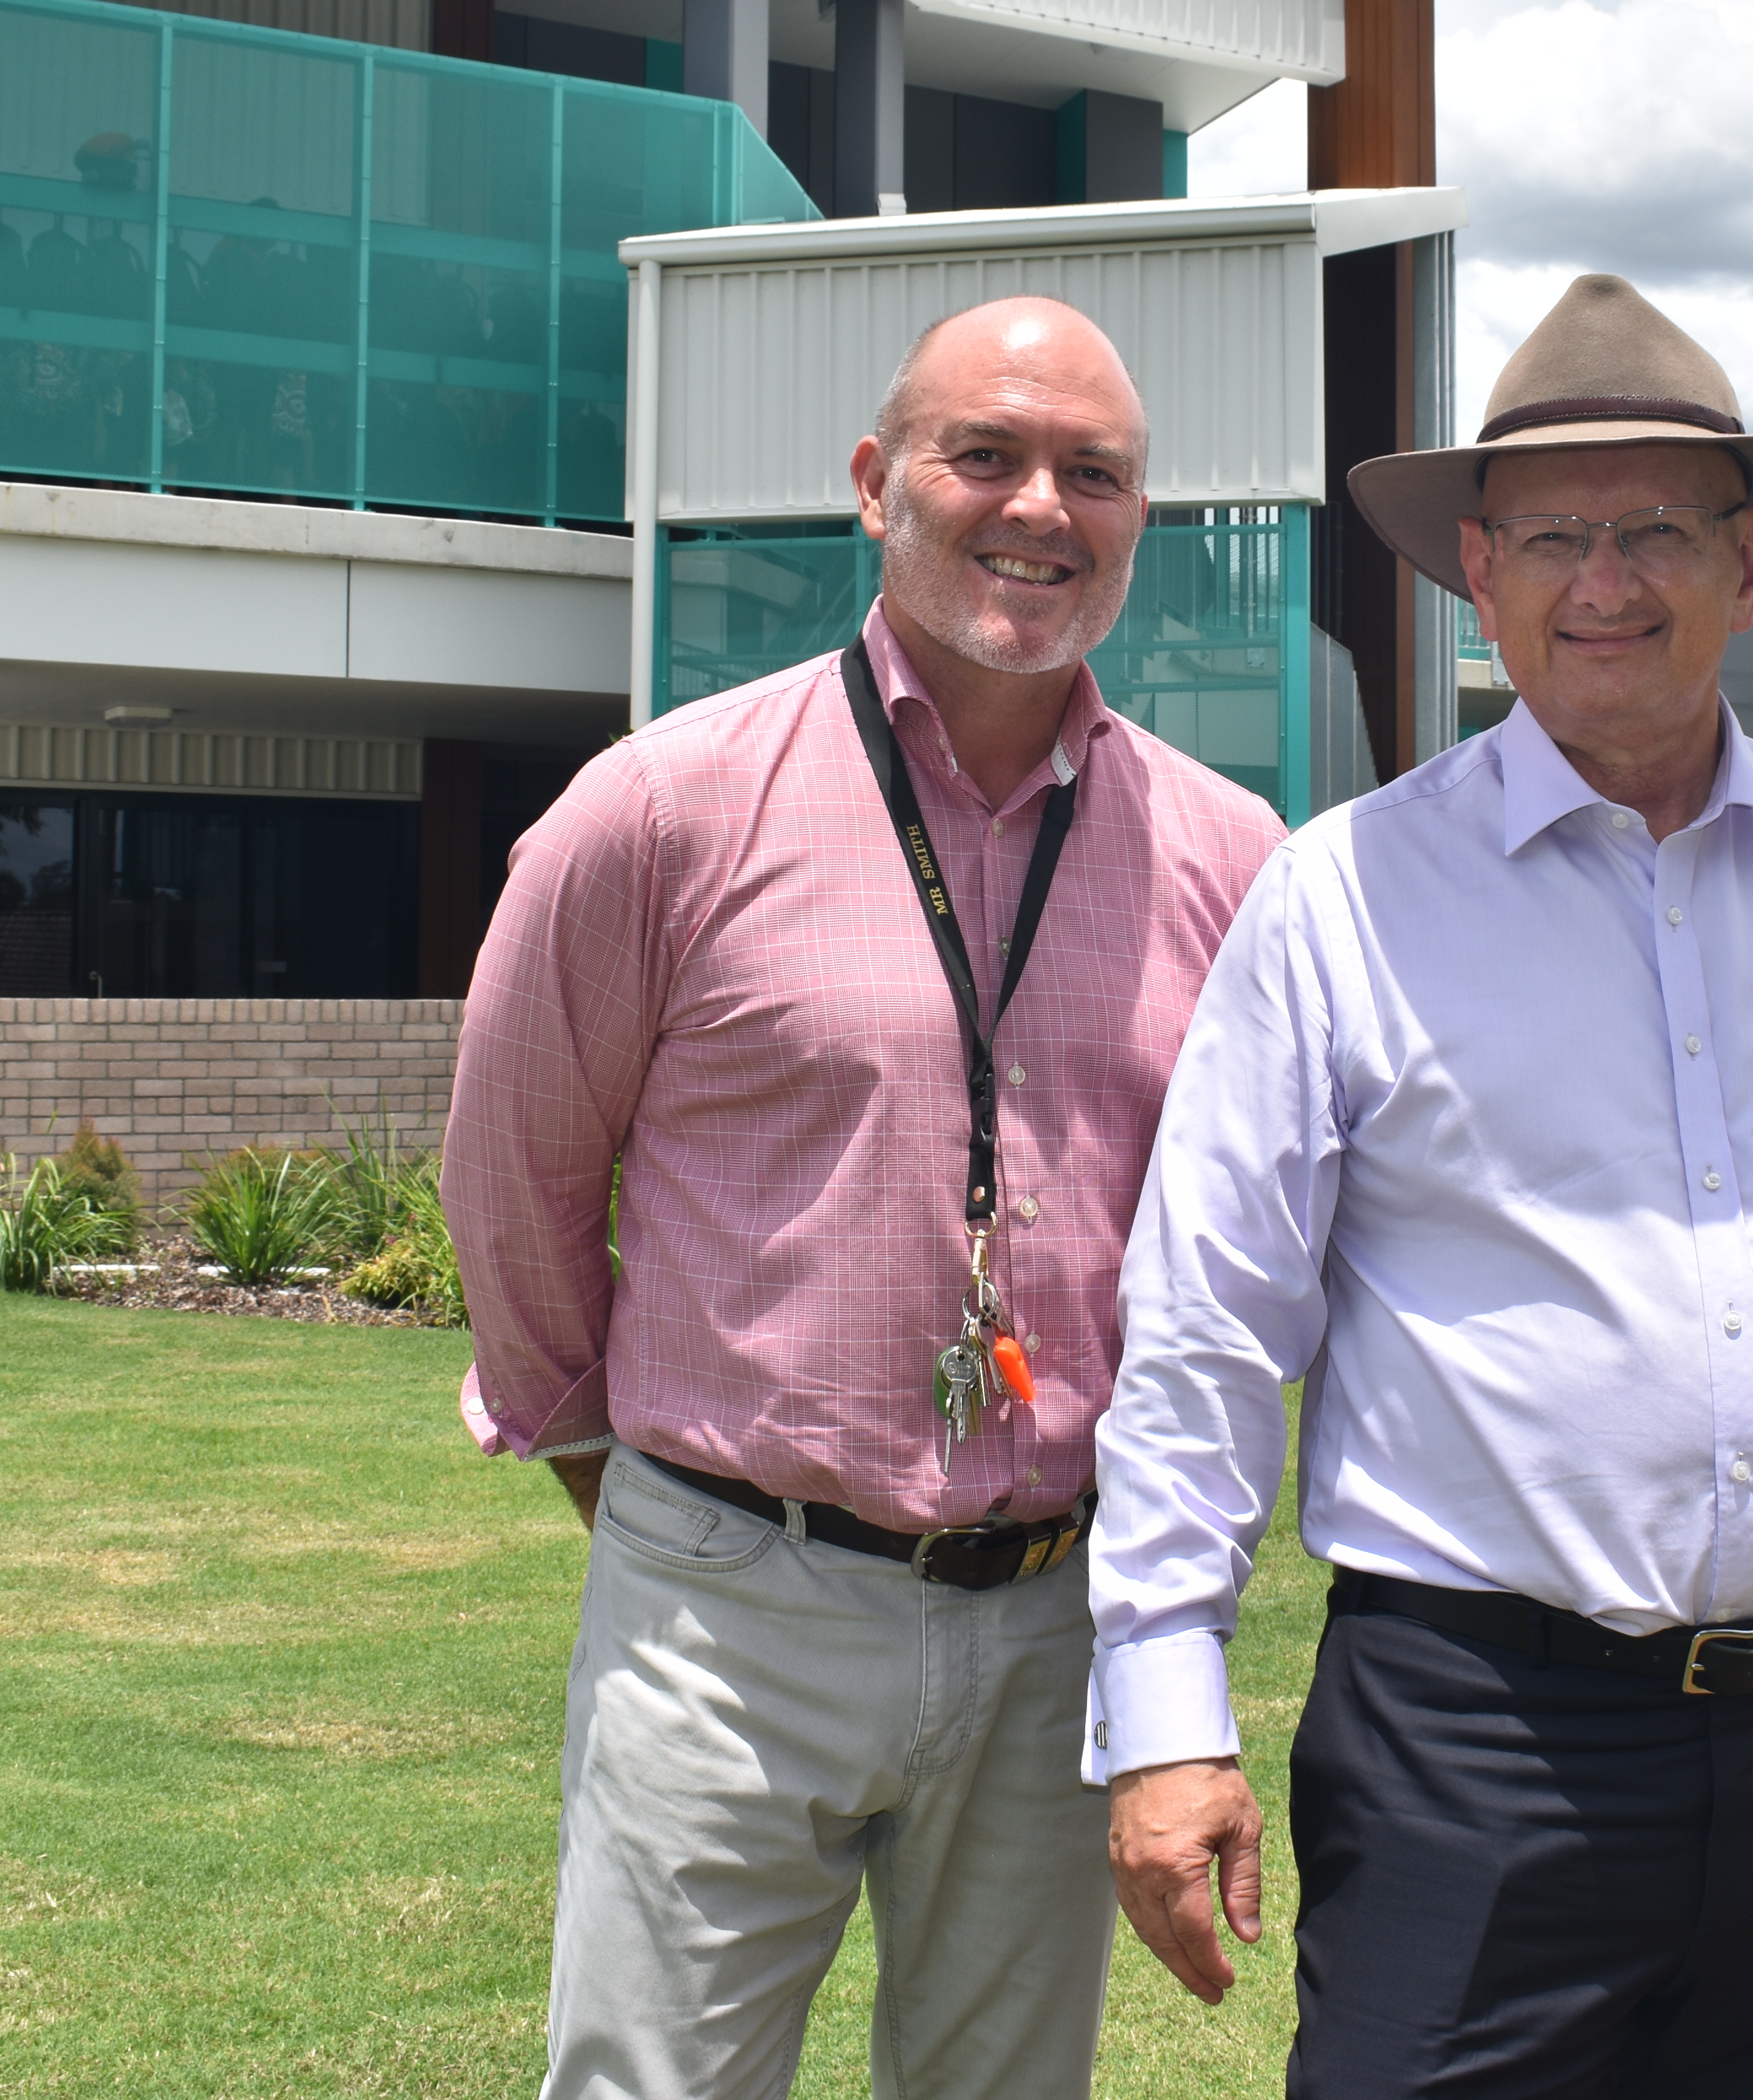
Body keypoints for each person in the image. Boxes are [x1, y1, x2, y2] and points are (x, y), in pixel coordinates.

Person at [1088, 273, 1753, 2098]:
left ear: (1751, 562)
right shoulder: (1343, 902)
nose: (1605, 580)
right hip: (1476, 1747)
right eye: (1553, 537)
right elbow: (1207, 1330)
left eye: (1658, 530)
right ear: (1479, 572)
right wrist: (1164, 1713)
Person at [445, 294, 1285, 2100]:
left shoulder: (1232, 861)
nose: (1040, 507)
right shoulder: (660, 811)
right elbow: (515, 1181)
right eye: (985, 454)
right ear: (874, 482)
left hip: (1058, 1615)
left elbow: (1254, 1262)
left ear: (1141, 518)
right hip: (729, 1607)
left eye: (1095, 473)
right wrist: (630, 1483)